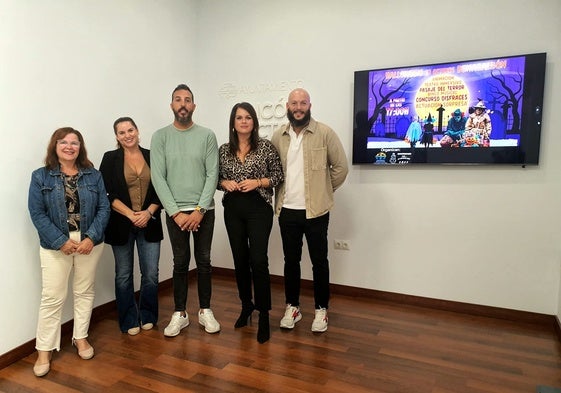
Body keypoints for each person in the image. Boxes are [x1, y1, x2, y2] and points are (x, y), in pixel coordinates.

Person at [28, 127, 110, 377]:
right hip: (56, 245)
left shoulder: (93, 175)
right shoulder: (41, 176)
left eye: (74, 142)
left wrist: (91, 238)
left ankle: (80, 337)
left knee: (84, 291)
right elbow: (37, 213)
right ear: (55, 146)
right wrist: (60, 241)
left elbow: (104, 208)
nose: (69, 146)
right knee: (52, 297)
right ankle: (44, 349)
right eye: (63, 142)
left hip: (89, 243)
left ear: (80, 147)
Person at [271, 88, 348, 333]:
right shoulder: (278, 136)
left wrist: (322, 191)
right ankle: (292, 306)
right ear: (287, 106)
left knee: (319, 262)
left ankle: (321, 310)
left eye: (303, 103)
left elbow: (341, 168)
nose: (298, 107)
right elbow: (273, 173)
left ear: (310, 105)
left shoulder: (324, 133)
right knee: (290, 262)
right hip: (287, 211)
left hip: (316, 212)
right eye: (294, 103)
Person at [150, 84, 221, 337]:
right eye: (178, 100)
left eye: (188, 100)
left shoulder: (207, 135)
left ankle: (205, 310)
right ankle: (180, 313)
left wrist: (200, 210)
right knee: (180, 263)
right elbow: (158, 177)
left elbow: (213, 174)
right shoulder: (160, 137)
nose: (183, 104)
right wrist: (175, 213)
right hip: (175, 213)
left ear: (194, 106)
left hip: (204, 210)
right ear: (171, 105)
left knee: (204, 261)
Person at [218, 102, 284, 343]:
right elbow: (215, 178)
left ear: (254, 122)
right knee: (240, 260)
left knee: (258, 260)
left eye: (248, 117)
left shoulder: (266, 147)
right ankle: (246, 306)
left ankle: (264, 313)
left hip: (259, 208)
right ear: (233, 123)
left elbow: (278, 176)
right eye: (239, 117)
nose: (244, 121)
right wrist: (224, 183)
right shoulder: (224, 150)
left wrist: (258, 182)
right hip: (233, 209)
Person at [99, 117, 163, 336]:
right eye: (122, 132)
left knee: (151, 274)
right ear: (116, 136)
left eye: (130, 130)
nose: (127, 135)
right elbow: (106, 193)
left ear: (137, 130)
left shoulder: (153, 155)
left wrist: (148, 212)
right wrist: (130, 214)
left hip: (150, 222)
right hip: (121, 225)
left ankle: (148, 315)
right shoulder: (110, 158)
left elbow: (163, 188)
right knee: (124, 275)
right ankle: (128, 319)